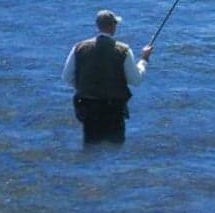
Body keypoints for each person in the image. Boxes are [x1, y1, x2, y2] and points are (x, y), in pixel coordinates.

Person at [62, 9, 153, 144]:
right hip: (114, 109)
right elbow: (136, 80)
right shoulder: (123, 50)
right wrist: (144, 59)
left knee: (91, 148)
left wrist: (85, 85)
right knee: (115, 149)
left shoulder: (79, 48)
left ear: (98, 26)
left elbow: (67, 77)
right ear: (113, 26)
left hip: (89, 109)